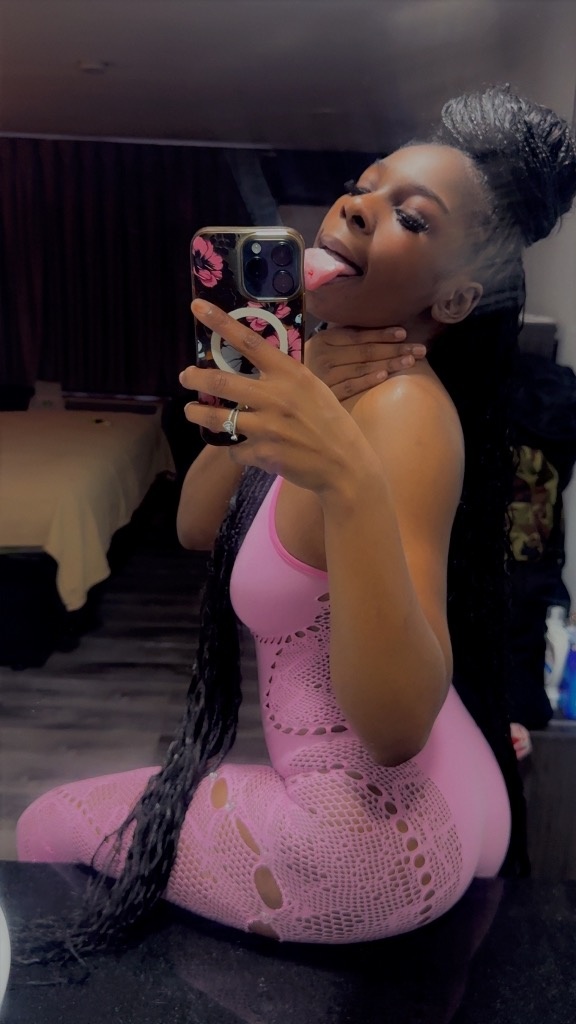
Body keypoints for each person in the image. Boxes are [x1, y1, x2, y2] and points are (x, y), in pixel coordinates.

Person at [17, 87, 576, 953]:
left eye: (411, 217)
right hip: (454, 785)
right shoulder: (324, 388)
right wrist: (283, 391)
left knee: (45, 825)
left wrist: (347, 478)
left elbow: (394, 731)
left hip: (372, 843)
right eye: (363, 186)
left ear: (455, 299)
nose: (356, 205)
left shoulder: (403, 415)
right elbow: (199, 527)